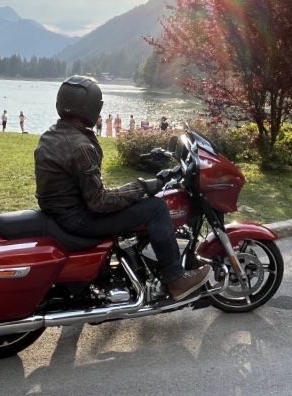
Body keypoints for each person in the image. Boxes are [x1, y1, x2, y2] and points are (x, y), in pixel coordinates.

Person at [35, 75, 211, 301]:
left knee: (137, 202)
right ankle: (176, 280)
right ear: (89, 107)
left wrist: (133, 191)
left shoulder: (52, 134)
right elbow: (99, 201)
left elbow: (86, 189)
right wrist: (144, 187)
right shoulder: (80, 147)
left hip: (60, 213)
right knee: (156, 207)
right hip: (77, 219)